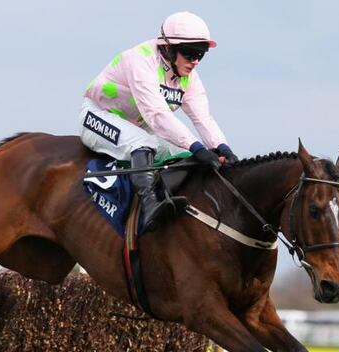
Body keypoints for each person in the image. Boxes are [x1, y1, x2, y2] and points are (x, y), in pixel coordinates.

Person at [78, 11, 238, 231]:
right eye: (190, 53)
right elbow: (157, 114)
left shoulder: (189, 78)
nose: (195, 62)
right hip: (98, 116)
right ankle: (150, 203)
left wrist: (222, 147)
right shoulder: (140, 60)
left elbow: (203, 118)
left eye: (201, 54)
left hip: (138, 125)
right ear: (168, 47)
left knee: (183, 156)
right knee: (144, 144)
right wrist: (197, 146)